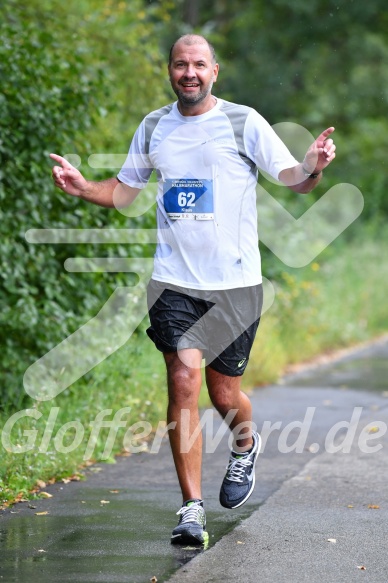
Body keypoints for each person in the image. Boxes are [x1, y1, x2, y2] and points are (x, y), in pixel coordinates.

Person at [51, 34, 336, 547]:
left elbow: (294, 179)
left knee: (224, 395)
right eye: (181, 64)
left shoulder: (243, 122)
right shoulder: (155, 126)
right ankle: (191, 509)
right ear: (170, 71)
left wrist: (313, 164)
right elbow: (123, 190)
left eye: (199, 65)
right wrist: (82, 187)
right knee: (183, 378)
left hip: (236, 284)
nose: (190, 73)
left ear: (214, 71)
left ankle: (245, 444)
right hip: (175, 282)